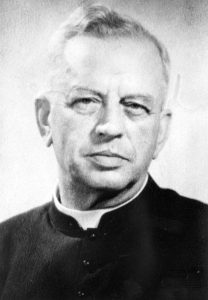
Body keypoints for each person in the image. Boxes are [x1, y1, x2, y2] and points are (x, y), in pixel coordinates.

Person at [0, 4, 207, 300]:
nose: (109, 126)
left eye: (134, 106)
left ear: (160, 132)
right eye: (86, 100)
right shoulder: (4, 248)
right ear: (46, 119)